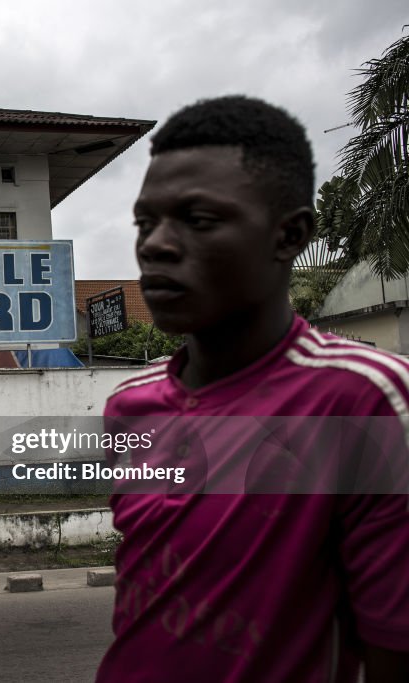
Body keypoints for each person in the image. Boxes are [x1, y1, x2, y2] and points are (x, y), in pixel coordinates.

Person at [96, 96, 409, 682]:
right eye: (146, 222)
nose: (155, 245)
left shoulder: (364, 401)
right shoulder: (129, 406)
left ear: (289, 235)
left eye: (200, 219)